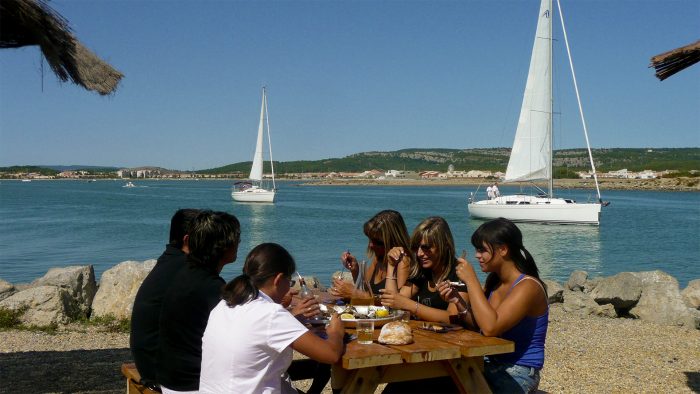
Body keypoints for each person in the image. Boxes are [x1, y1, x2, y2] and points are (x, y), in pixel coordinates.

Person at [199, 243, 345, 394]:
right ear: (279, 279)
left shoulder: (225, 304)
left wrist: (295, 323)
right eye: (290, 282)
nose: (289, 287)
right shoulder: (270, 313)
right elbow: (331, 355)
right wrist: (336, 332)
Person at [438, 217, 548, 393]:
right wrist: (457, 301)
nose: (477, 255)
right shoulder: (496, 281)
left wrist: (471, 280)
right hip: (490, 362)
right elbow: (480, 325)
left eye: (482, 250)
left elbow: (490, 328)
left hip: (518, 370)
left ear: (503, 249)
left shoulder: (528, 286)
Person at [156, 210, 241, 393]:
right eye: (237, 239)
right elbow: (241, 335)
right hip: (193, 385)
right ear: (224, 246)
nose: (239, 243)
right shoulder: (211, 288)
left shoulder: (186, 274)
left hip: (172, 378)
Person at [130, 208, 200, 390]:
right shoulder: (187, 270)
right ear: (187, 240)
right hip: (161, 371)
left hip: (148, 360)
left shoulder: (170, 262)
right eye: (206, 236)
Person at [380, 216, 466, 323]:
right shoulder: (422, 272)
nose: (420, 253)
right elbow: (392, 305)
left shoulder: (459, 273)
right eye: (416, 247)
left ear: (445, 245)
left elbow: (452, 317)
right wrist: (392, 266)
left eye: (426, 248)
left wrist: (409, 305)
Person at [329, 210, 413, 300]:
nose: (371, 245)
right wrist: (355, 270)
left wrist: (355, 293)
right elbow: (366, 289)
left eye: (378, 242)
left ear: (393, 241)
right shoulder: (379, 257)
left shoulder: (403, 261)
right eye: (370, 239)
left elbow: (397, 303)